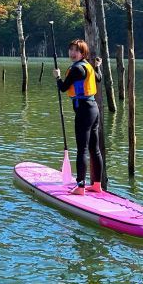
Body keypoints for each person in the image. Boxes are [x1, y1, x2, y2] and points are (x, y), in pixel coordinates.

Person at [53, 39, 103, 195]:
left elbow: (63, 88)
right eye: (71, 50)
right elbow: (99, 78)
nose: (72, 53)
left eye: (77, 51)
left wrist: (57, 77)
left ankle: (80, 187)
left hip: (83, 112)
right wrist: (98, 67)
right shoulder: (88, 66)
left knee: (82, 150)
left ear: (83, 53)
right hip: (93, 109)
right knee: (94, 149)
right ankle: (96, 185)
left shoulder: (76, 70)